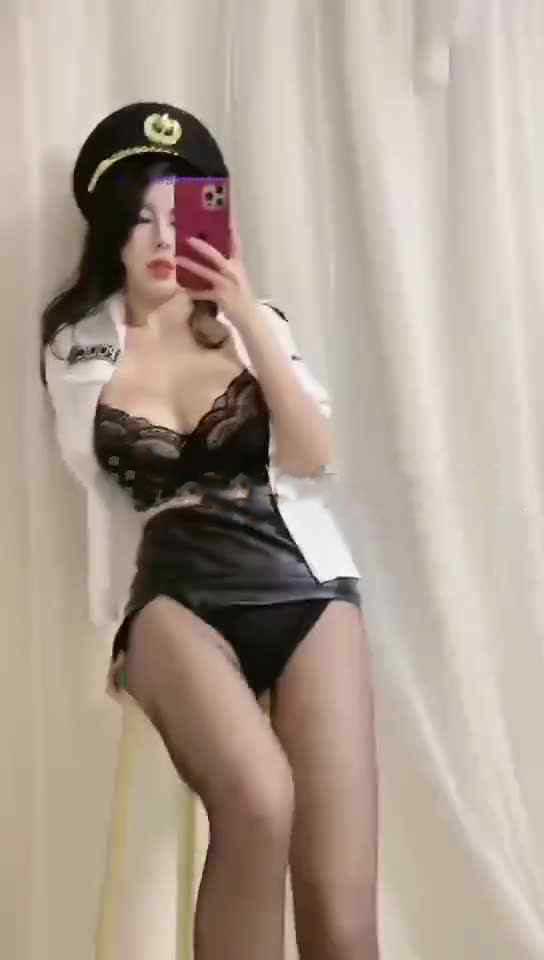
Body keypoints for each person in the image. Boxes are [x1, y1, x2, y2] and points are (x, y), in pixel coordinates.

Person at [41, 101, 380, 960]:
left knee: (341, 912)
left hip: (305, 585)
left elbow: (313, 456)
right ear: (110, 231)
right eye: (140, 218)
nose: (163, 238)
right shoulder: (78, 347)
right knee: (259, 800)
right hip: (175, 597)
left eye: (181, 214)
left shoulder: (250, 325)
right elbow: (100, 478)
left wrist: (247, 316)